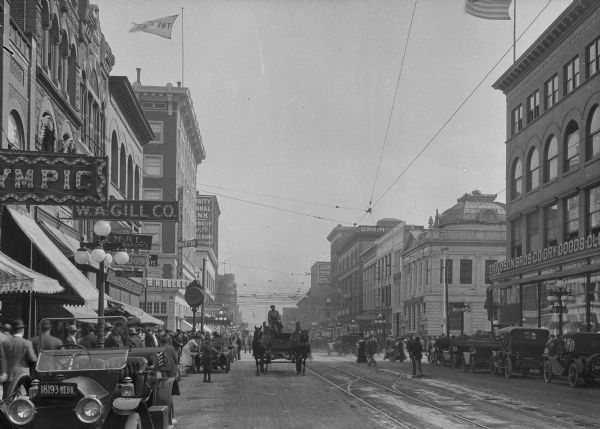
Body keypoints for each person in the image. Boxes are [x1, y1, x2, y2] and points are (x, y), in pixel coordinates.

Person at [1, 320, 36, 400]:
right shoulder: (27, 343)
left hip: (8, 376)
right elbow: (32, 359)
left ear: (12, 330)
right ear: (22, 330)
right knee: (22, 400)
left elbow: (2, 359)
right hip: (22, 377)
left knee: (6, 400)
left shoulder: (4, 343)